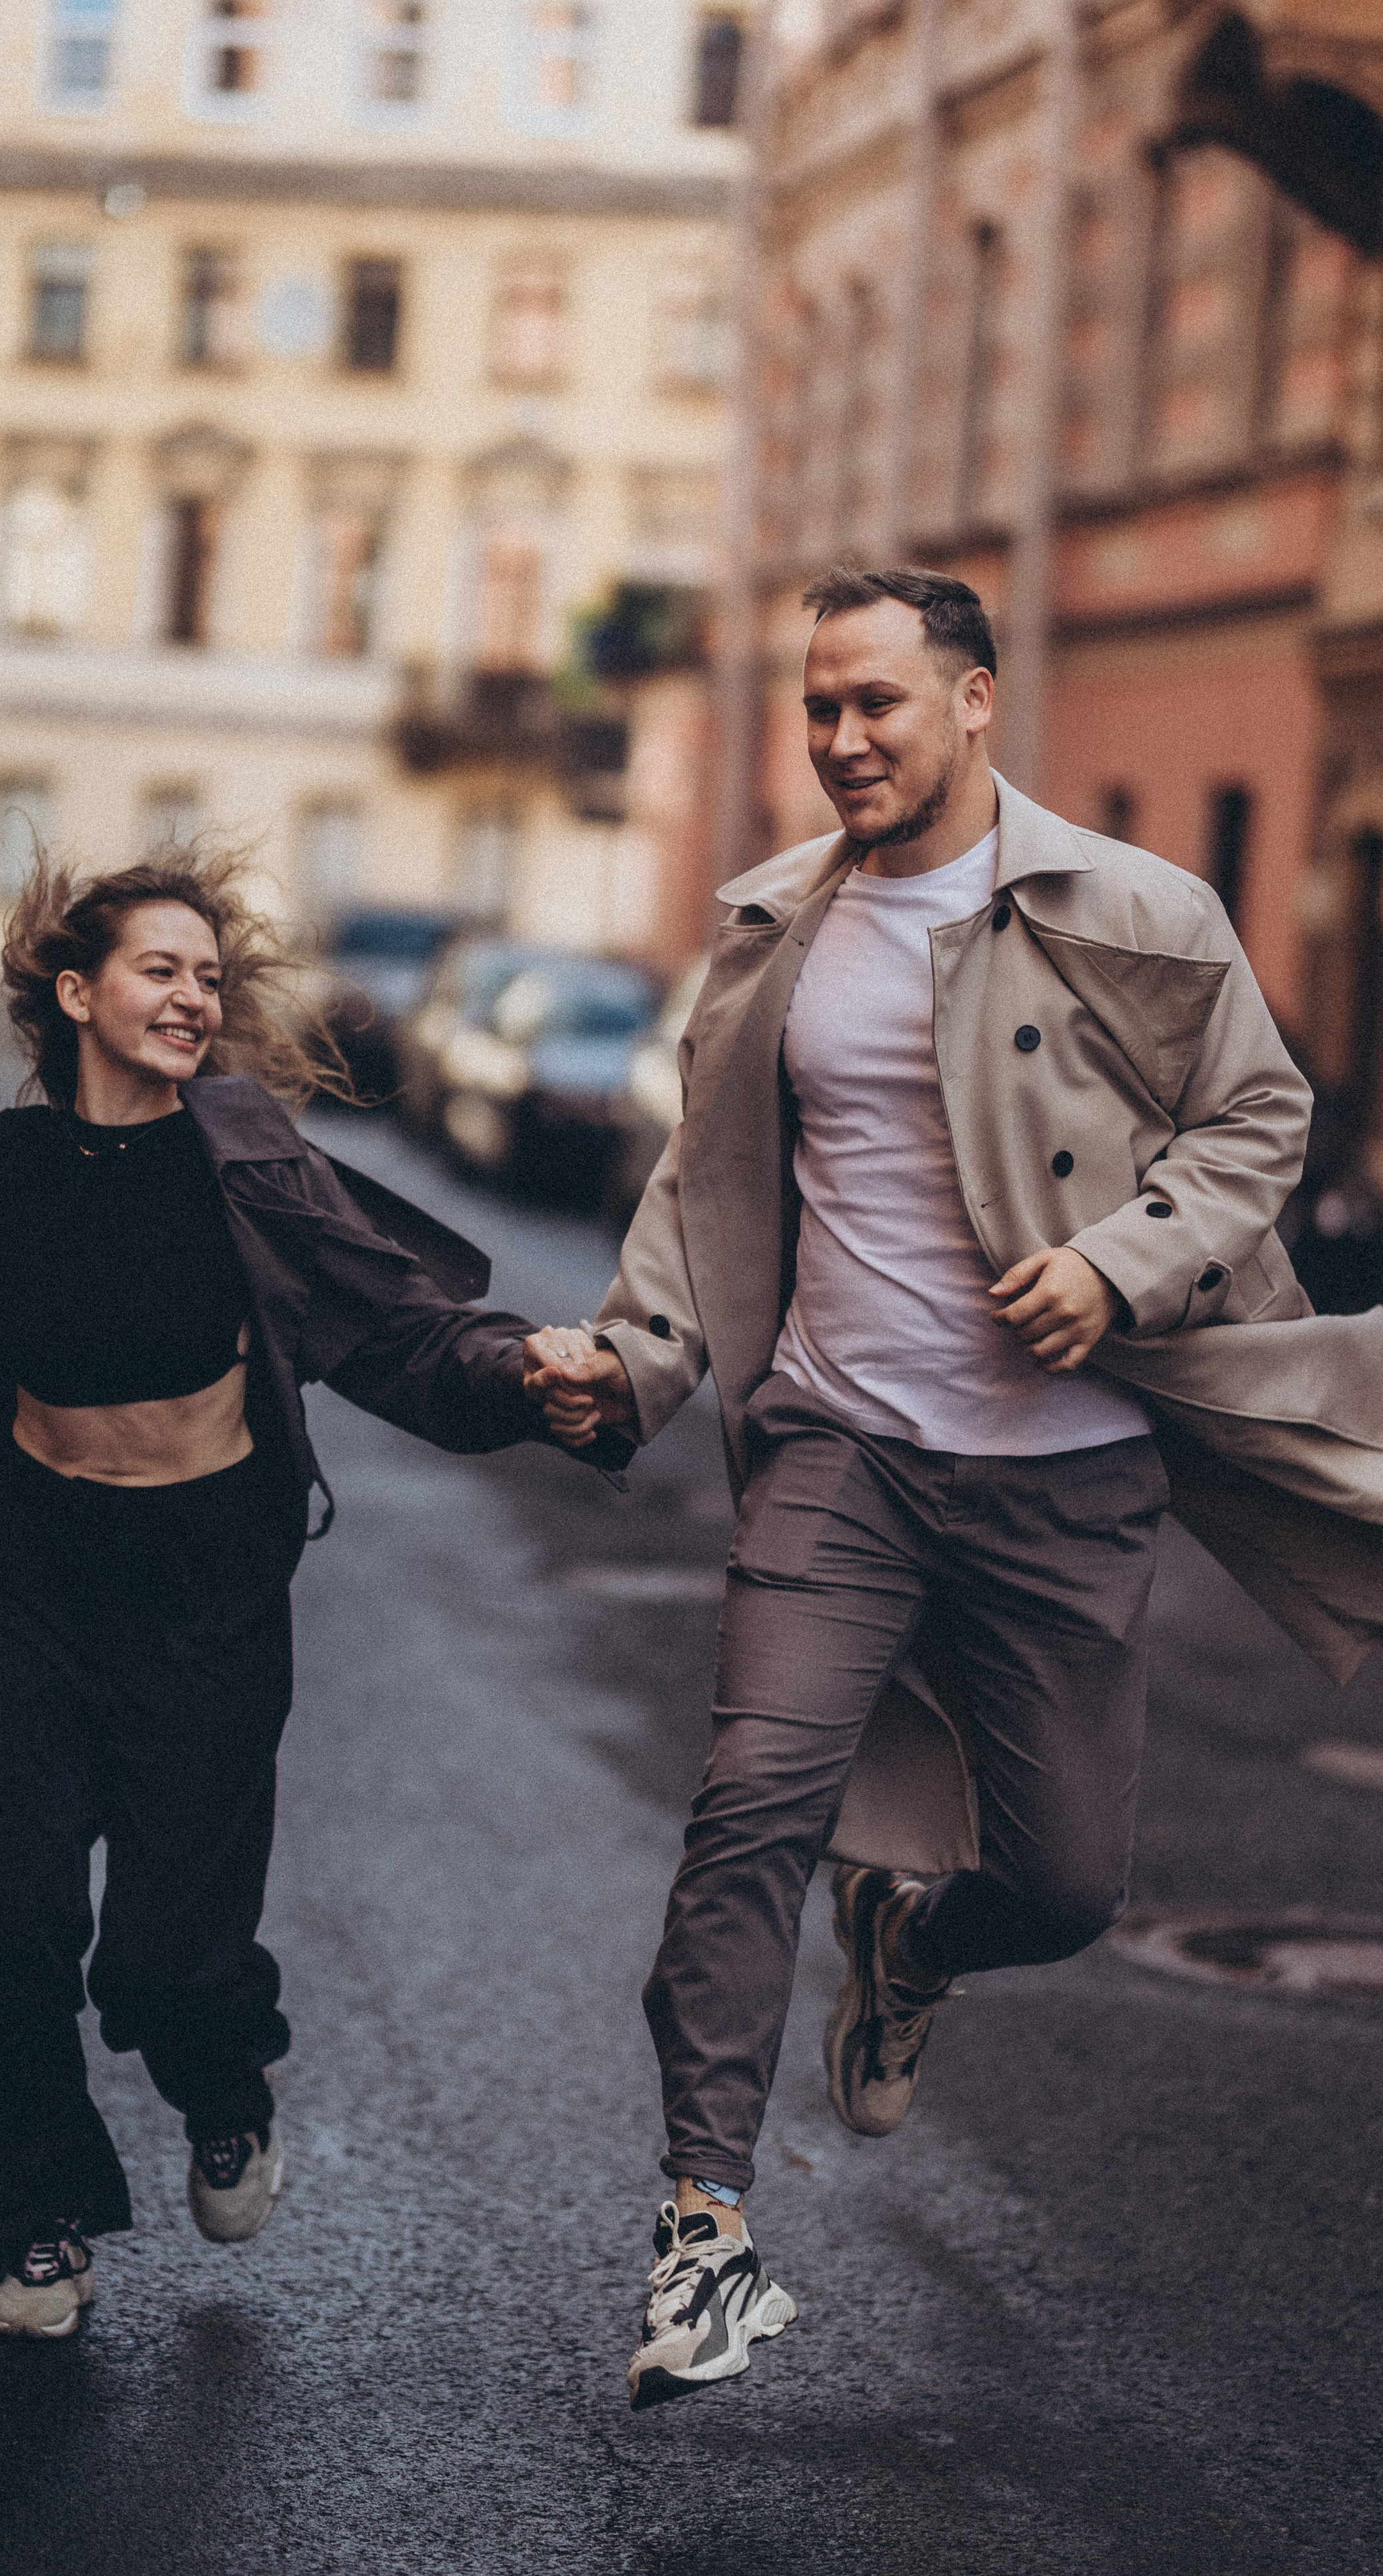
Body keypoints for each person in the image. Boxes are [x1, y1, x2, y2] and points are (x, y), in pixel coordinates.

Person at [521, 566, 1383, 2410]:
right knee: (749, 1808)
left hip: (1065, 1483)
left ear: (978, 701)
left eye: (878, 706)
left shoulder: (1132, 908)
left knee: (1068, 1881)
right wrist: (637, 1360)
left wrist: (1121, 1262)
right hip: (840, 1452)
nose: (840, 739)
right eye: (820, 707)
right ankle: (704, 2232)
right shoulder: (771, 927)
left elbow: (1259, 1121)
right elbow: (707, 1187)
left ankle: (914, 1935)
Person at [0, 847, 607, 2337]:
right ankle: (24, 2226)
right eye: (160, 969)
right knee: (5, 1924)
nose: (191, 996)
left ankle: (220, 2085)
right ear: (76, 991)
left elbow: (399, 1323)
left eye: (209, 977)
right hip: (37, 1567)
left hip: (209, 1584)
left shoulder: (248, 1173)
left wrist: (523, 1372)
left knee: (169, 1947)